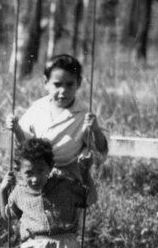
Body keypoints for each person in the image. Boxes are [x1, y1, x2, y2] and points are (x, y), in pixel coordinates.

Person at [6, 53, 108, 183]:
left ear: (79, 83)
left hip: (68, 180)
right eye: (57, 84)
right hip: (35, 177)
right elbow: (24, 145)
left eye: (69, 84)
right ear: (46, 83)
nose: (63, 91)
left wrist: (96, 130)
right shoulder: (37, 108)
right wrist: (16, 128)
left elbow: (101, 149)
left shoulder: (84, 114)